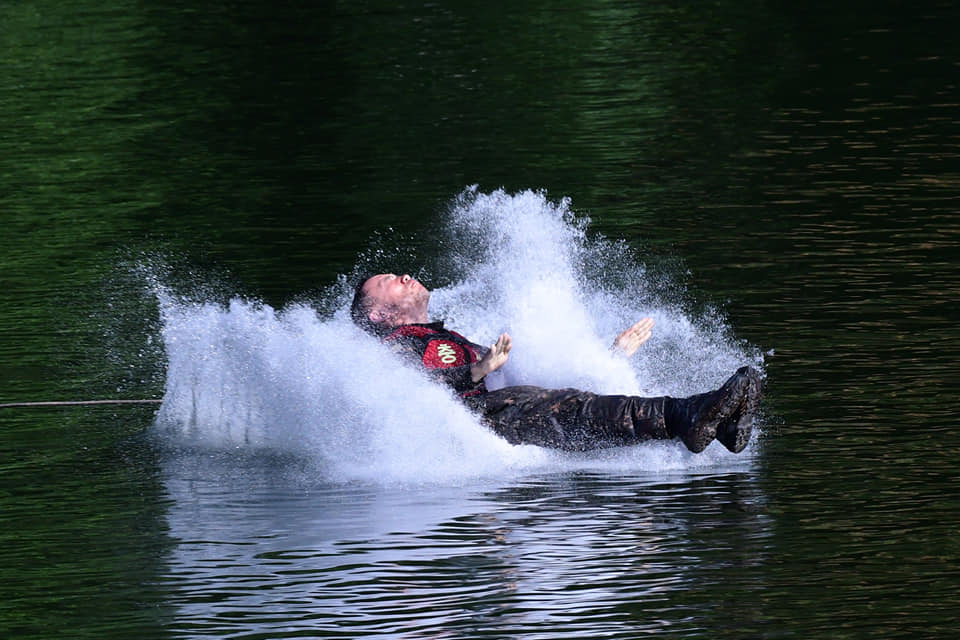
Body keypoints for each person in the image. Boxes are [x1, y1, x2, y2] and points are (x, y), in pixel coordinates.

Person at [350, 273, 762, 453]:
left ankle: (720, 426)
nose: (403, 277)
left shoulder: (449, 337)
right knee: (576, 409)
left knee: (578, 402)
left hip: (503, 409)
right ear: (379, 315)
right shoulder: (391, 348)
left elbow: (529, 374)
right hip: (478, 424)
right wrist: (475, 371)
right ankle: (689, 414)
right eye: (388, 282)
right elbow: (412, 394)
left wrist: (610, 356)